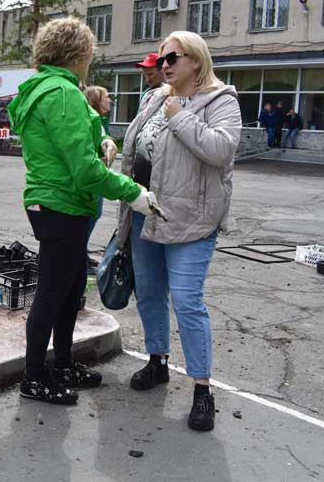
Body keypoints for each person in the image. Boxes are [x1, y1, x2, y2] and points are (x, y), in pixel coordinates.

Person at [7, 17, 158, 406]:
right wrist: (134, 192)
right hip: (62, 204)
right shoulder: (61, 93)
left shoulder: (51, 89)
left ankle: (62, 365)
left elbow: (80, 142)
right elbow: (85, 170)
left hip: (58, 203)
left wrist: (104, 140)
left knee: (71, 288)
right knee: (51, 294)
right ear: (80, 52)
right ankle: (35, 376)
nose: (92, 57)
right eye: (90, 50)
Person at [117, 31, 241, 432]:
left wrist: (181, 116)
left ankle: (202, 389)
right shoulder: (156, 97)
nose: (164, 65)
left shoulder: (221, 100)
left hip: (192, 219)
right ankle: (158, 361)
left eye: (172, 57)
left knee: (187, 301)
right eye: (161, 59)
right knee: (150, 292)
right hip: (144, 213)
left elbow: (221, 150)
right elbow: (137, 146)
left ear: (196, 59)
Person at [83, 85, 117, 275]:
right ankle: (80, 257)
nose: (110, 100)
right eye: (106, 96)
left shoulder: (101, 121)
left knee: (94, 215)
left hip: (98, 181)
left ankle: (82, 253)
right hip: (93, 181)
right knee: (89, 217)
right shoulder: (90, 120)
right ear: (96, 100)